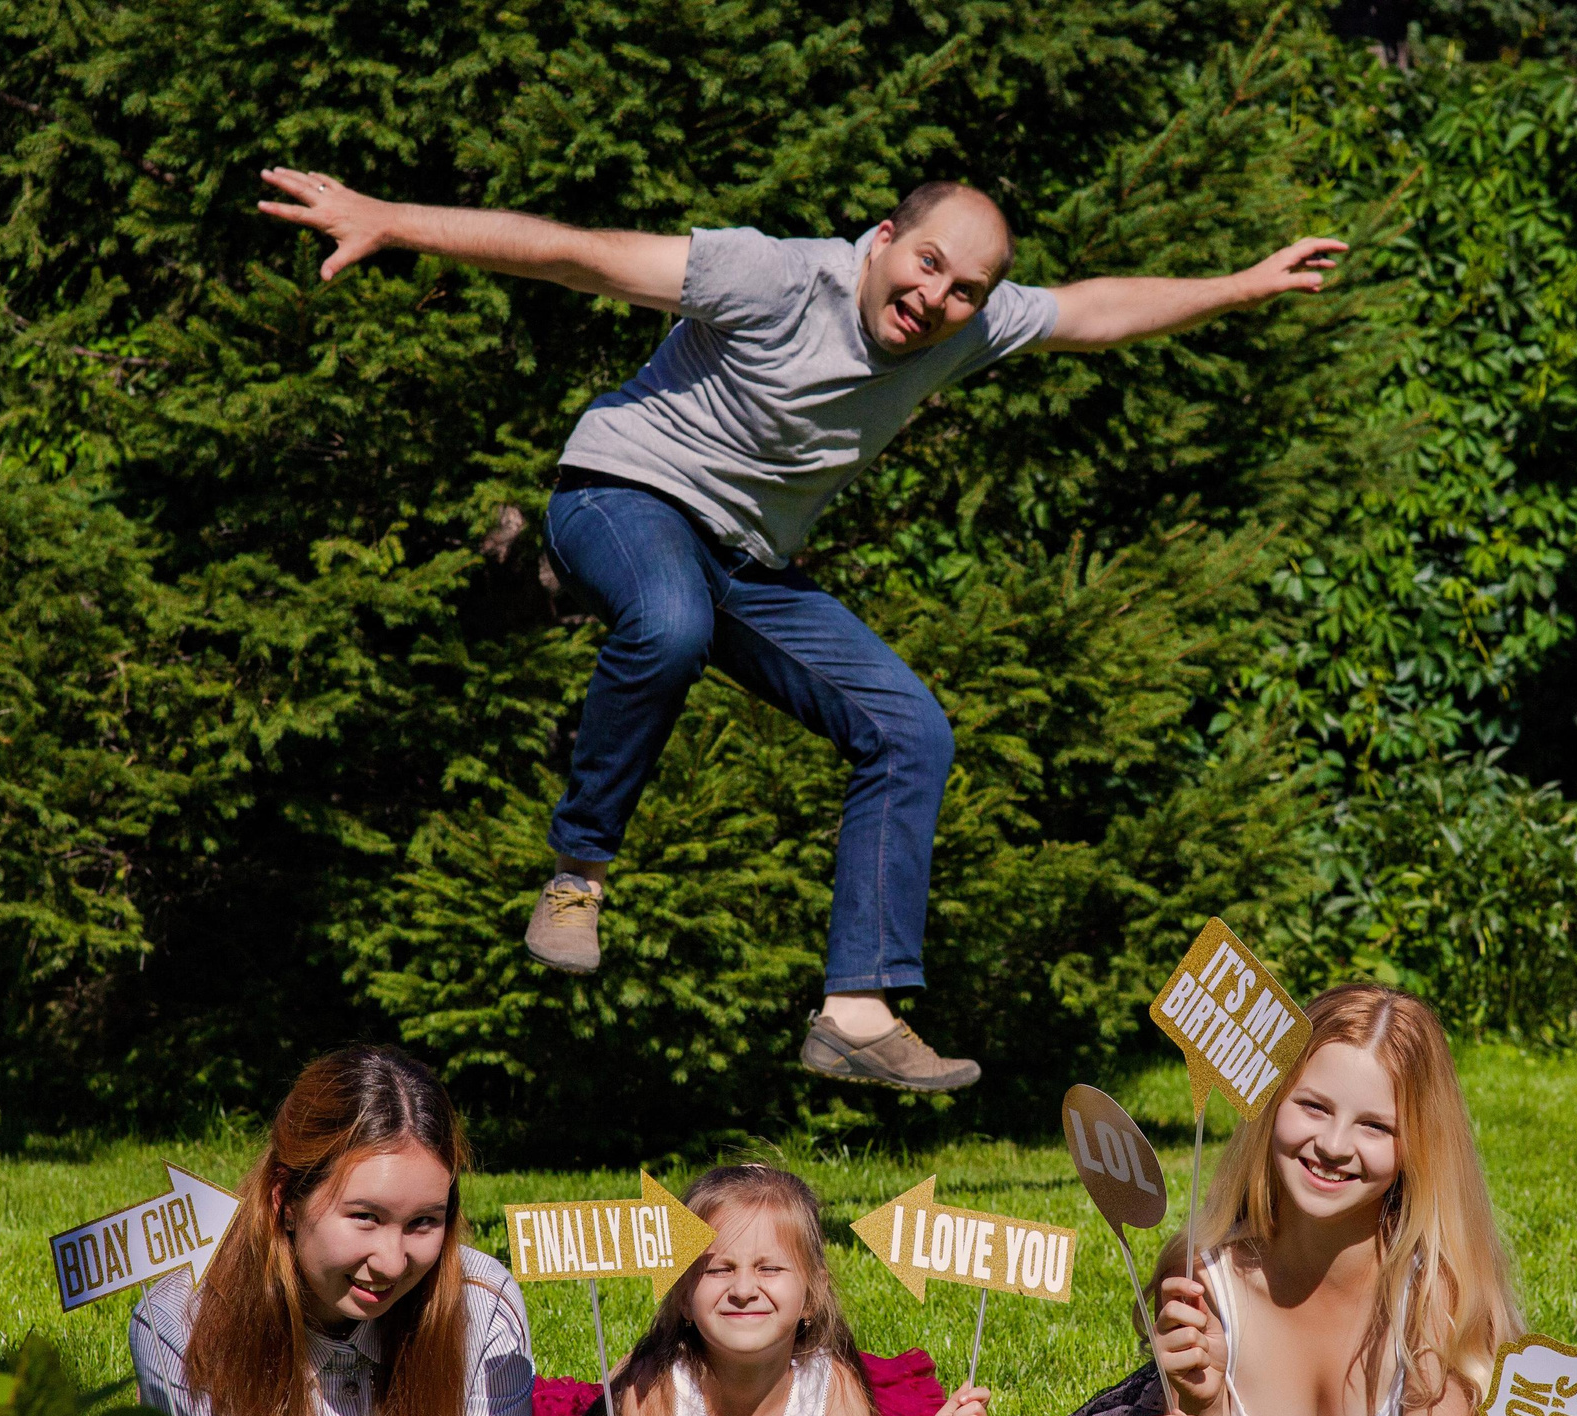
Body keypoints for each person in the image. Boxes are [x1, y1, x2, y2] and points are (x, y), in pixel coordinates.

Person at [255, 167, 1347, 1092]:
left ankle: (857, 1011)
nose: (936, 298)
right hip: (619, 498)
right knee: (668, 623)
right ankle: (577, 874)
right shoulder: (770, 274)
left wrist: (1242, 286)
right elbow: (577, 252)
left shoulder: (968, 327)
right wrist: (391, 219)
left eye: (965, 290)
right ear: (882, 240)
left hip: (745, 562)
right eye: (924, 263)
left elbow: (1095, 312)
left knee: (909, 730)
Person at [131, 1046, 536, 1416]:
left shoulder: (483, 1306)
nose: (393, 1262)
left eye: (423, 1223)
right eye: (364, 1217)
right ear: (285, 1201)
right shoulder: (180, 1324)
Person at [1144, 984, 1522, 1416]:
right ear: (1272, 1104)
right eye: (1314, 1106)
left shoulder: (1435, 1297)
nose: (1334, 1144)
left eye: (1375, 1126)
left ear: (1417, 1148)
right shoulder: (1204, 1277)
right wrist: (1204, 1405)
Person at [573, 1164, 991, 1416]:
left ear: (812, 1294)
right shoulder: (654, 1391)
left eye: (769, 1269)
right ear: (683, 1295)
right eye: (718, 1269)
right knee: (622, 1379)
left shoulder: (831, 1387)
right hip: (647, 1377)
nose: (743, 1289)